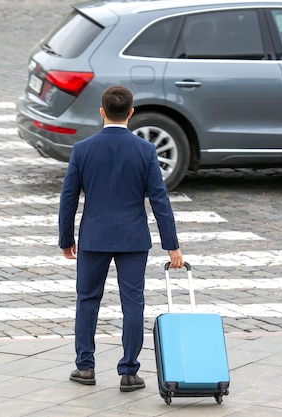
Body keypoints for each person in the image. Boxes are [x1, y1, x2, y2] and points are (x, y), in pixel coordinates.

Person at [58, 85, 184, 392]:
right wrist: (172, 245)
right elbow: (159, 200)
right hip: (132, 239)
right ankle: (129, 371)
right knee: (133, 303)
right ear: (131, 113)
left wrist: (66, 239)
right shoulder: (145, 150)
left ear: (101, 112)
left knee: (87, 300)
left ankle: (85, 367)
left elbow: (69, 198)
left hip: (94, 238)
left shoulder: (83, 150)